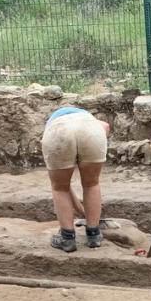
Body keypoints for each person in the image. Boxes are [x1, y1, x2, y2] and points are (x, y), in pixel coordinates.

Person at [42, 106, 111, 253]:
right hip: (91, 130)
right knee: (92, 183)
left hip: (58, 132)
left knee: (59, 187)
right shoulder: (92, 119)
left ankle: (67, 238)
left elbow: (64, 188)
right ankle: (94, 235)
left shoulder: (52, 123)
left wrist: (81, 210)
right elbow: (105, 126)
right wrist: (81, 210)